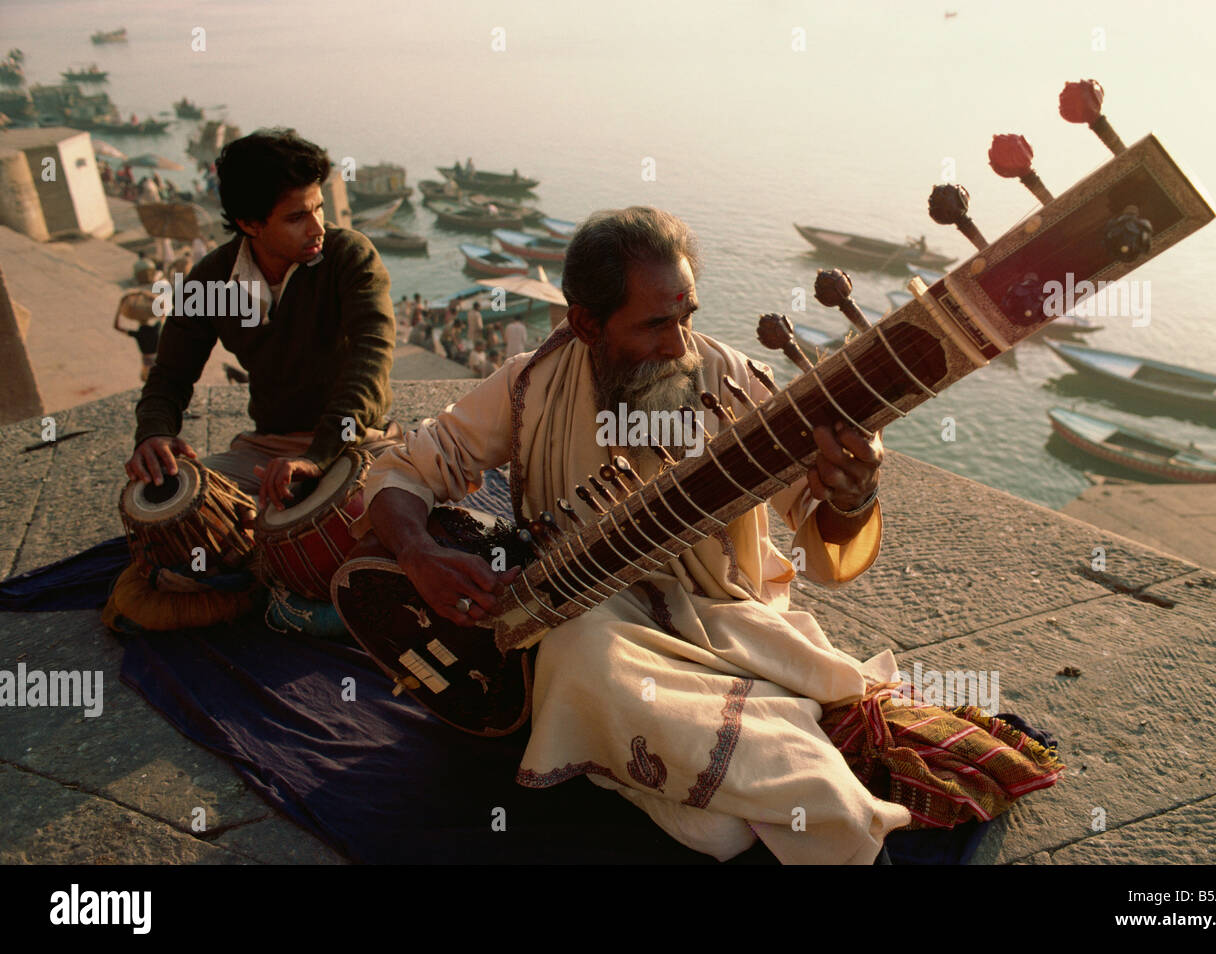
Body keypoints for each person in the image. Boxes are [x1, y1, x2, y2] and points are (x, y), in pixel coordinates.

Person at [354, 207, 905, 863]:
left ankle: (719, 777)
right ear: (587, 323)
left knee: (727, 803)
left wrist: (852, 493)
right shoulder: (532, 384)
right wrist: (419, 555)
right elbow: (401, 469)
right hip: (585, 615)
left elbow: (827, 547)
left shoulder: (731, 387)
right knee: (585, 650)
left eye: (688, 316)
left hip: (722, 628)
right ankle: (729, 781)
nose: (680, 345)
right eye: (655, 324)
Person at [126, 128, 399, 512]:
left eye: (319, 207)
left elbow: (371, 358)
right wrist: (153, 434)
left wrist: (317, 458)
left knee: (384, 511)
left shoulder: (349, 256)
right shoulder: (211, 278)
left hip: (355, 438)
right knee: (174, 506)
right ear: (249, 224)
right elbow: (170, 373)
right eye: (297, 217)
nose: (318, 226)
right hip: (269, 447)